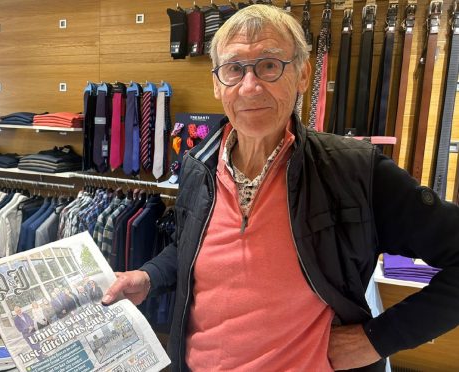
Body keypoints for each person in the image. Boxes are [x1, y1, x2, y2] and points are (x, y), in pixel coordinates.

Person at [101, 5, 459, 371]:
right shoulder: (198, 166)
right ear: (216, 82)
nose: (250, 85)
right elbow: (186, 248)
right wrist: (148, 277)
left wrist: (376, 339)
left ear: (303, 74)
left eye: (269, 65)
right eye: (234, 68)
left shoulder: (351, 170)